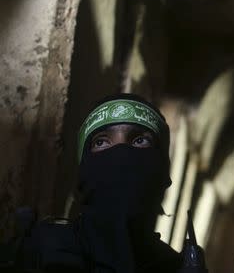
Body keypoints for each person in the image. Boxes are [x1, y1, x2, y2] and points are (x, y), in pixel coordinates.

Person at [0, 93, 189, 273]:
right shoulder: (39, 251)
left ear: (162, 168)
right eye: (101, 142)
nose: (120, 156)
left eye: (140, 140)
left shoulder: (174, 267)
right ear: (84, 169)